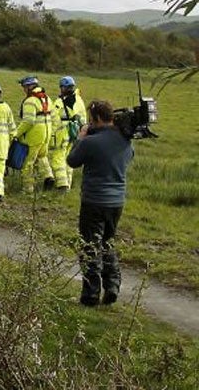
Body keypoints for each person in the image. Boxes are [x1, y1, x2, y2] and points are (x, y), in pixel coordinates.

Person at [66, 100, 134, 306]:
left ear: (95, 119)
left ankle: (91, 294)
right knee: (108, 242)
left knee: (90, 246)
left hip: (94, 200)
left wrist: (80, 138)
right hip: (116, 202)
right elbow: (129, 157)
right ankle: (112, 286)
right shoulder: (125, 140)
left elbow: (72, 161)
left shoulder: (90, 142)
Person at [14, 76, 55, 194]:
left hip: (34, 136)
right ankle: (49, 176)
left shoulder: (30, 101)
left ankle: (28, 189)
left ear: (29, 87)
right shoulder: (46, 98)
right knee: (42, 156)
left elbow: (28, 121)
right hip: (46, 133)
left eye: (24, 87)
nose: (23, 89)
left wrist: (16, 134)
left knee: (28, 163)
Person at [50, 76, 87, 192]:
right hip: (75, 132)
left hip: (62, 132)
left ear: (63, 88)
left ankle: (62, 185)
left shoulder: (60, 101)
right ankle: (68, 184)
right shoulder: (79, 100)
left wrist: (51, 134)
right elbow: (83, 118)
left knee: (58, 158)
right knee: (68, 158)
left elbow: (54, 119)